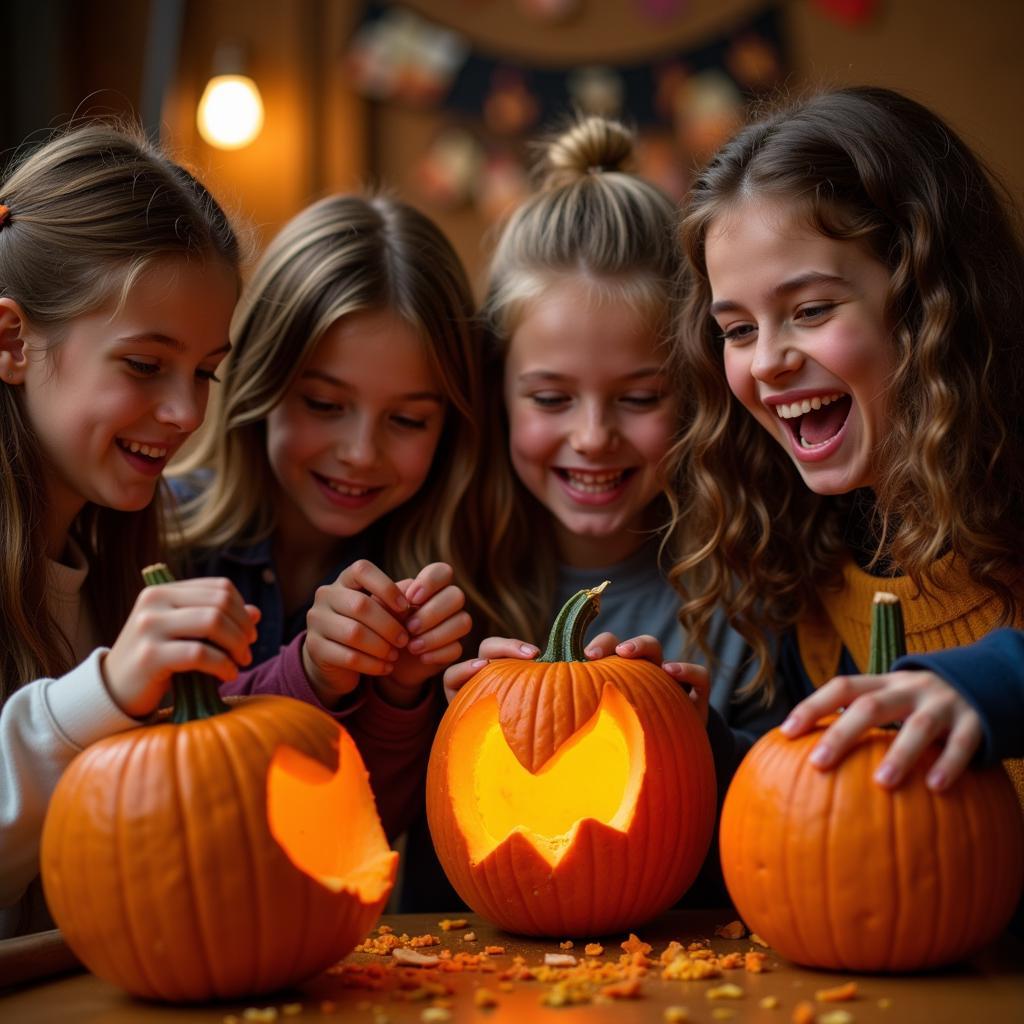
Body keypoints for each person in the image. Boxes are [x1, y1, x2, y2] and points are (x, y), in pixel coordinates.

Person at [435, 116, 786, 910]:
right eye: (552, 398)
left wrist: (707, 746)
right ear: (498, 394)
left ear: (695, 389)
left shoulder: (752, 579)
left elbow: (796, 834)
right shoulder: (440, 577)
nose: (593, 438)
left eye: (638, 397)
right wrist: (419, 717)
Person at [667, 86, 1024, 807]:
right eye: (738, 330)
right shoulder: (814, 561)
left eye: (810, 310)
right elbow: (828, 826)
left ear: (930, 298)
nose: (767, 360)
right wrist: (680, 740)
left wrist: (992, 682)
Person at [168, 194, 499, 844]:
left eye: (407, 420)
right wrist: (311, 675)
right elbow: (162, 785)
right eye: (323, 404)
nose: (359, 454)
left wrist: (401, 697)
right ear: (258, 382)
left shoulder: (440, 588)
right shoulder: (160, 537)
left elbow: (370, 832)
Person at [0, 122, 250, 938]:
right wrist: (103, 696)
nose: (185, 412)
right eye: (145, 365)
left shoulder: (117, 561)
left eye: (205, 372)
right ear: (13, 341)